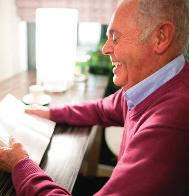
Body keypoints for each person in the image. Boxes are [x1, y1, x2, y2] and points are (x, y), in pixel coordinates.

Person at [0, 0, 189, 195]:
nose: (105, 49)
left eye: (115, 37)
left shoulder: (171, 124)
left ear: (160, 37)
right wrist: (49, 112)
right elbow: (101, 108)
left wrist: (20, 165)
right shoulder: (152, 87)